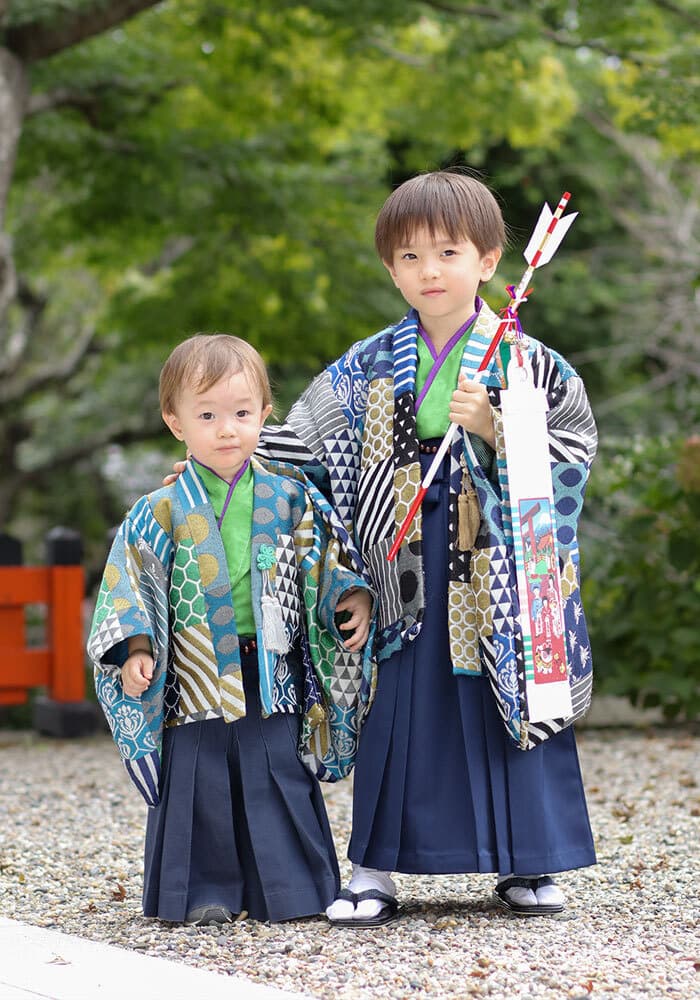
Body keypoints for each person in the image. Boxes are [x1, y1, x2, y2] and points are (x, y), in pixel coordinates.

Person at [169, 169, 598, 925]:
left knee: (506, 698)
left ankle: (529, 861)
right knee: (396, 707)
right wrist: (225, 461)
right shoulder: (366, 363)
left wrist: (498, 427)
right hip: (398, 565)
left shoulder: (529, 362)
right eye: (409, 257)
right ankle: (376, 869)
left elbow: (575, 452)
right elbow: (301, 446)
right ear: (390, 269)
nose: (429, 271)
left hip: (499, 567)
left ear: (489, 261)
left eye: (447, 252)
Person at [88, 333, 375, 926]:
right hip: (193, 669)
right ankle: (202, 894)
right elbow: (130, 579)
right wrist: (136, 646)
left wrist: (346, 594)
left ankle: (292, 891)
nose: (227, 430)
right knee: (199, 779)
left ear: (265, 415)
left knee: (278, 771)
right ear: (175, 422)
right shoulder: (159, 509)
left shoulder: (291, 497)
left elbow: (323, 559)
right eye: (208, 416)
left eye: (242, 414)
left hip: (272, 663)